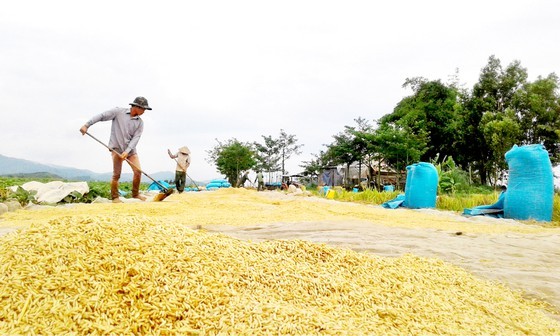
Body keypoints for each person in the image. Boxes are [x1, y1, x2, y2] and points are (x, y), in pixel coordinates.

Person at [79, 96, 152, 203]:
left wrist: (127, 152)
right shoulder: (118, 112)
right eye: (143, 109)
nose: (144, 111)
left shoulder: (140, 123)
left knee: (138, 171)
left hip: (131, 151)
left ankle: (135, 194)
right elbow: (102, 116)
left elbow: (136, 138)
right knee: (116, 174)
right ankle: (115, 197)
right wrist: (87, 125)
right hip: (117, 149)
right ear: (136, 107)